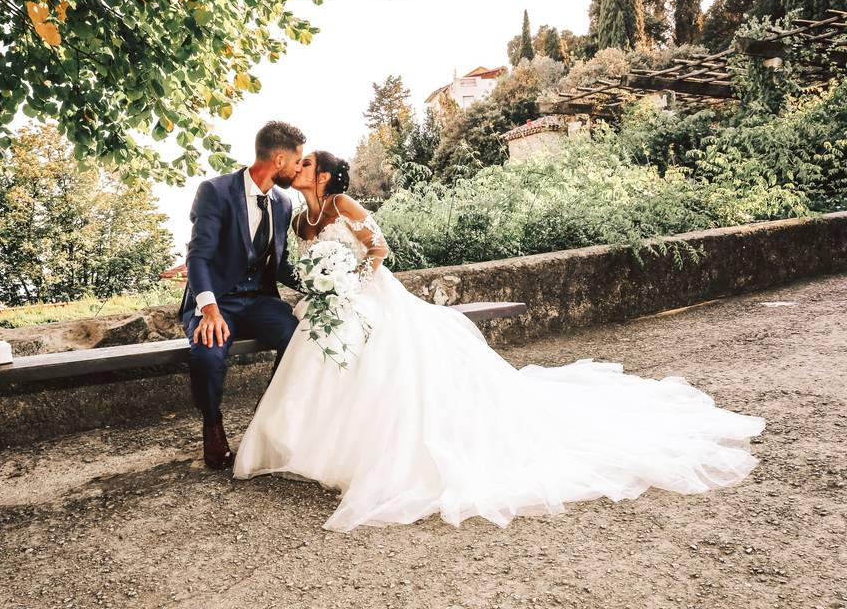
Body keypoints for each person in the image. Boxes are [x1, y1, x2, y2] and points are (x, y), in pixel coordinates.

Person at [233, 150, 765, 532]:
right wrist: (327, 288)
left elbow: (381, 249)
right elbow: (299, 264)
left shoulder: (344, 206)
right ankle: (306, 448)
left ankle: (359, 458)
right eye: (293, 164)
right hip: (333, 305)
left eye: (302, 164)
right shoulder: (302, 218)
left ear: (322, 174)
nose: (295, 169)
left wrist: (354, 283)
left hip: (372, 297)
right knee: (323, 362)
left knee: (386, 370)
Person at [180, 121, 305, 469]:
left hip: (258, 300)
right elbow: (198, 257)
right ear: (279, 159)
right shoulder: (215, 192)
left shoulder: (282, 203)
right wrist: (208, 310)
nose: (298, 170)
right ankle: (212, 424)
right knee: (207, 352)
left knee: (298, 337)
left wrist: (323, 285)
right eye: (297, 162)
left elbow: (279, 265)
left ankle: (265, 419)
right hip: (216, 301)